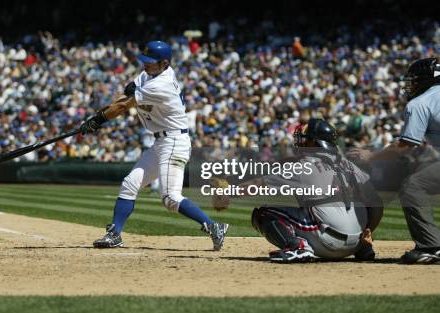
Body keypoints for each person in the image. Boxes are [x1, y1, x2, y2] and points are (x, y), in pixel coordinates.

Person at [82, 41, 229, 250]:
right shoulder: (149, 75)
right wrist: (97, 116)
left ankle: (214, 227)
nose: (145, 65)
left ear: (165, 63)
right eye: (145, 61)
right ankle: (114, 234)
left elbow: (125, 104)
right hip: (161, 141)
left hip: (175, 142)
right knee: (130, 184)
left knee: (170, 198)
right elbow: (126, 94)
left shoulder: (162, 84)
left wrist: (98, 120)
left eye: (150, 63)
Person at [251, 119, 383, 263]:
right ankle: (365, 248)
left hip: (327, 243)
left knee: (263, 214)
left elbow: (257, 185)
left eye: (305, 139)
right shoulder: (350, 166)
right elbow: (377, 203)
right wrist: (368, 230)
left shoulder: (303, 166)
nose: (301, 142)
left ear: (314, 143)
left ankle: (298, 247)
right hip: (357, 243)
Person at [349, 57, 440, 264]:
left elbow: (405, 145)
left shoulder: (420, 102)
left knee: (413, 186)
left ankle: (431, 247)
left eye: (415, 80)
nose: (411, 85)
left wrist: (371, 156)